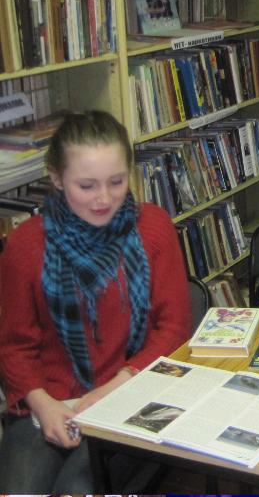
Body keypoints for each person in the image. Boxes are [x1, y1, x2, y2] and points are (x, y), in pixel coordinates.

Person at [0, 110, 191, 493]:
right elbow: (15, 345)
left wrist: (117, 385)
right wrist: (43, 403)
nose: (104, 198)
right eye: (87, 186)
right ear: (57, 178)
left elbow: (173, 329)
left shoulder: (153, 228)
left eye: (117, 181)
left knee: (77, 487)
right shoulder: (25, 245)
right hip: (48, 401)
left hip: (133, 394)